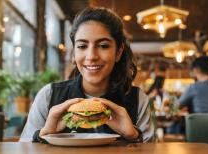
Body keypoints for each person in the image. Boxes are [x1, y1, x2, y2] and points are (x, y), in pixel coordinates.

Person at [20, 7, 153, 143]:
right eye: (82, 46)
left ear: (118, 52)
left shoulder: (138, 100)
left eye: (103, 46)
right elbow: (22, 149)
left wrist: (134, 136)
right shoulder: (49, 95)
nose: (91, 56)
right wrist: (43, 135)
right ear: (74, 54)